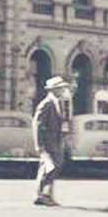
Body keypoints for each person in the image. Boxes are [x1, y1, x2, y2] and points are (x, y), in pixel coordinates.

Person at [33, 75, 72, 207]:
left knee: (52, 168)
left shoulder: (58, 103)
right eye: (60, 88)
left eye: (62, 88)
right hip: (47, 143)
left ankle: (45, 195)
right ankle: (42, 195)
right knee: (49, 168)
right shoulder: (46, 104)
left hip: (56, 141)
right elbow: (37, 125)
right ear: (52, 90)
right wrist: (39, 145)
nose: (62, 90)